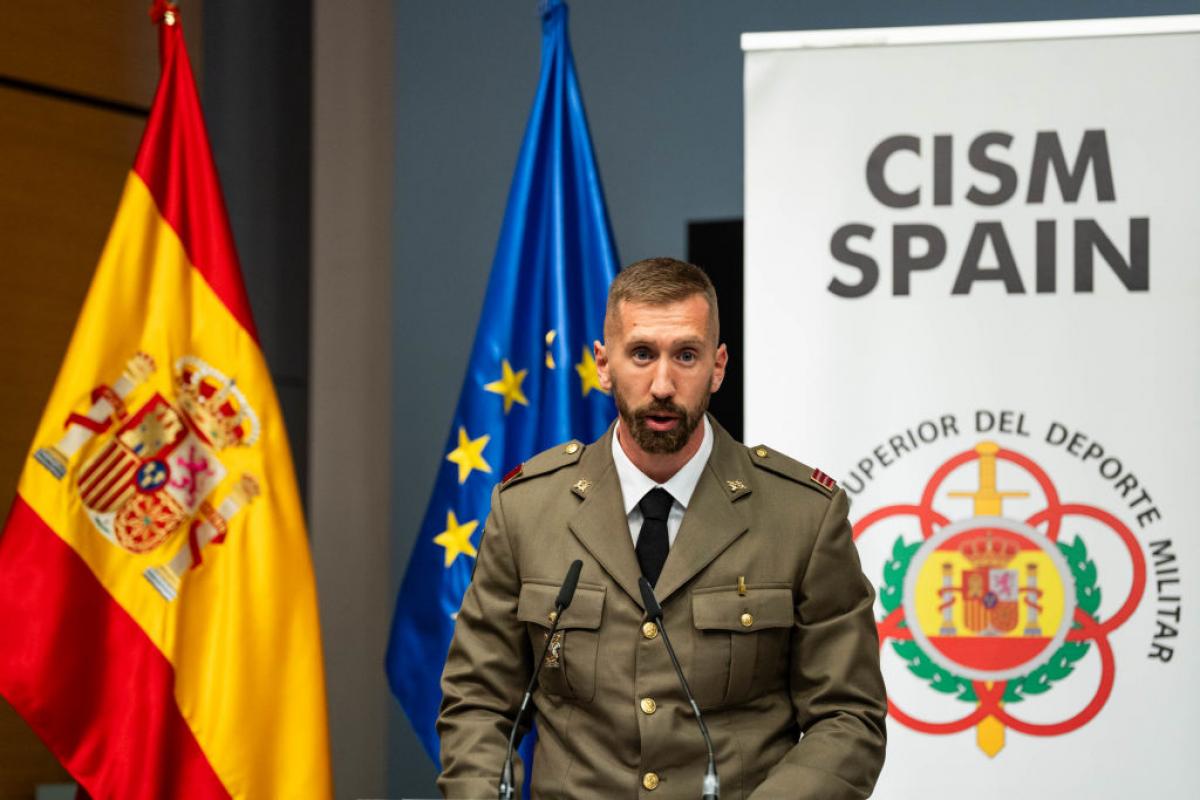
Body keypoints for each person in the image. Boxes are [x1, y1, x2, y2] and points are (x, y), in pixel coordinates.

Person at [438, 257, 886, 799]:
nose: (663, 384)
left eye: (687, 355)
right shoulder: (527, 510)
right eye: (642, 354)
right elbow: (479, 703)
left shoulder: (803, 516)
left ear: (718, 367)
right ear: (604, 364)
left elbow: (848, 717)